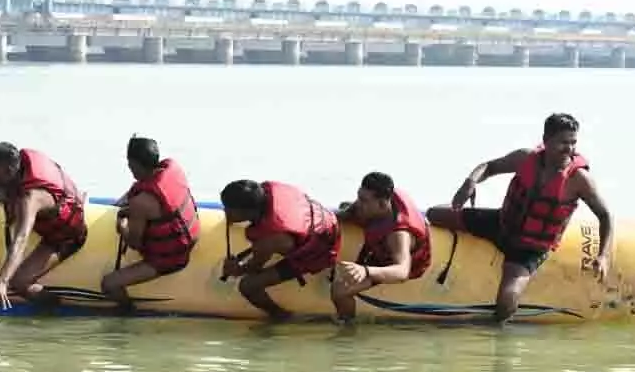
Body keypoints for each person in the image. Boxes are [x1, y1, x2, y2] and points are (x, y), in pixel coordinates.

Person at [426, 112, 613, 323]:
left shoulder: (579, 180)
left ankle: (496, 334)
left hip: (531, 247)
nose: (569, 149)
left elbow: (605, 216)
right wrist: (470, 182)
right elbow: (489, 166)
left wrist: (603, 255)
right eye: (563, 142)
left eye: (573, 142)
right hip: (501, 224)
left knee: (509, 295)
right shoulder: (526, 158)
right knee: (434, 214)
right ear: (546, 140)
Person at [0, 142, 87, 309]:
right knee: (1, 195)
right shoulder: (20, 168)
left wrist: (2, 281)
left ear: (9, 171)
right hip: (63, 208)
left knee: (20, 282)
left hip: (66, 237)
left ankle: (55, 309)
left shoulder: (30, 198)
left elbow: (21, 238)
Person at [100, 135, 201, 310]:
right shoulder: (172, 169)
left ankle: (127, 316)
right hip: (189, 239)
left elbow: (134, 243)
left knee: (109, 284)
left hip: (171, 258)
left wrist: (122, 227)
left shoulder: (141, 203)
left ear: (133, 164)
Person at [218, 179, 341, 320]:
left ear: (248, 212)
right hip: (326, 220)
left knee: (248, 286)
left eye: (228, 208)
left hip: (319, 252)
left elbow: (253, 267)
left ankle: (281, 315)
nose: (225, 211)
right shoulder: (267, 190)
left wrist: (236, 270)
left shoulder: (268, 241)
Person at [331, 171, 432, 321]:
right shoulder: (383, 198)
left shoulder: (398, 235)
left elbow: (402, 272)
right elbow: (350, 212)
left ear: (383, 204)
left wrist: (365, 270)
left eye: (364, 200)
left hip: (390, 263)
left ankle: (347, 327)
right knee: (346, 208)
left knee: (340, 290)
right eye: (359, 196)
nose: (358, 204)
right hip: (380, 241)